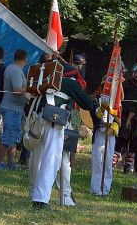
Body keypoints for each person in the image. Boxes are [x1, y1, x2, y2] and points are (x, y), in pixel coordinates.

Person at [30, 76, 95, 209]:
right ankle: (41, 199)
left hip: (38, 118)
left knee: (37, 159)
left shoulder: (46, 80)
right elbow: (87, 104)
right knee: (51, 159)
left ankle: (34, 194)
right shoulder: (70, 83)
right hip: (54, 119)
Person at [0, 49, 30, 170]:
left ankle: (11, 163)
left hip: (15, 108)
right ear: (25, 59)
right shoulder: (16, 71)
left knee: (13, 137)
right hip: (11, 109)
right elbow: (16, 90)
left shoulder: (11, 68)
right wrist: (31, 90)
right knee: (7, 137)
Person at [90, 97, 120, 196]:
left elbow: (119, 118)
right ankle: (95, 188)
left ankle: (105, 189)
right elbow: (95, 115)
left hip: (110, 135)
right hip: (100, 133)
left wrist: (113, 128)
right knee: (97, 161)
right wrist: (102, 108)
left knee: (108, 162)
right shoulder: (96, 100)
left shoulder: (117, 102)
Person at [115, 63, 137, 173]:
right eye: (135, 72)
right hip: (124, 117)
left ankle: (128, 167)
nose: (136, 75)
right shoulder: (124, 85)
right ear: (131, 73)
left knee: (133, 145)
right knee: (120, 144)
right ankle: (112, 165)